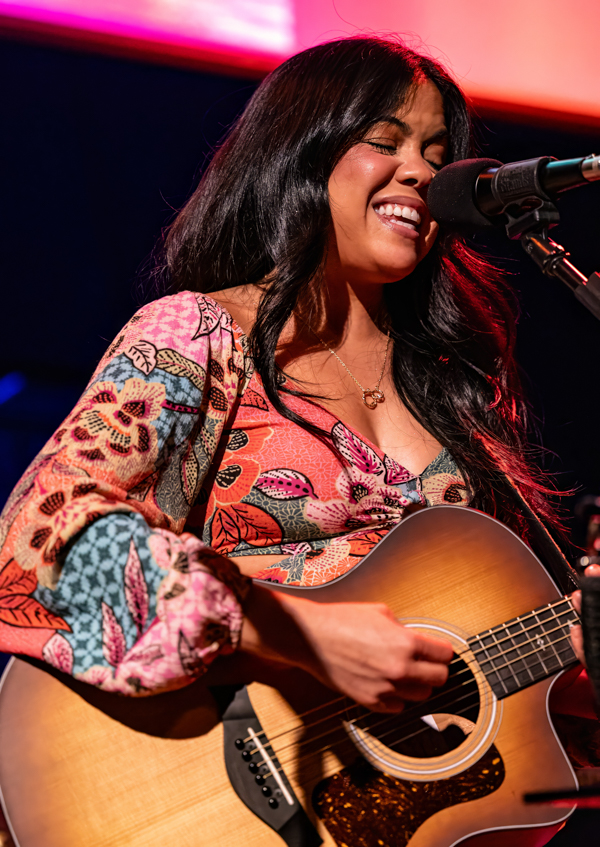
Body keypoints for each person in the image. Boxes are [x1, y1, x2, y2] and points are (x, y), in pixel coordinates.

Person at [0, 37, 597, 739]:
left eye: (437, 158)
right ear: (301, 152)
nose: (420, 174)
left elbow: (500, 682)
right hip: (217, 773)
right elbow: (41, 538)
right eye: (385, 142)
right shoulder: (199, 336)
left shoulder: (455, 386)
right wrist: (301, 635)